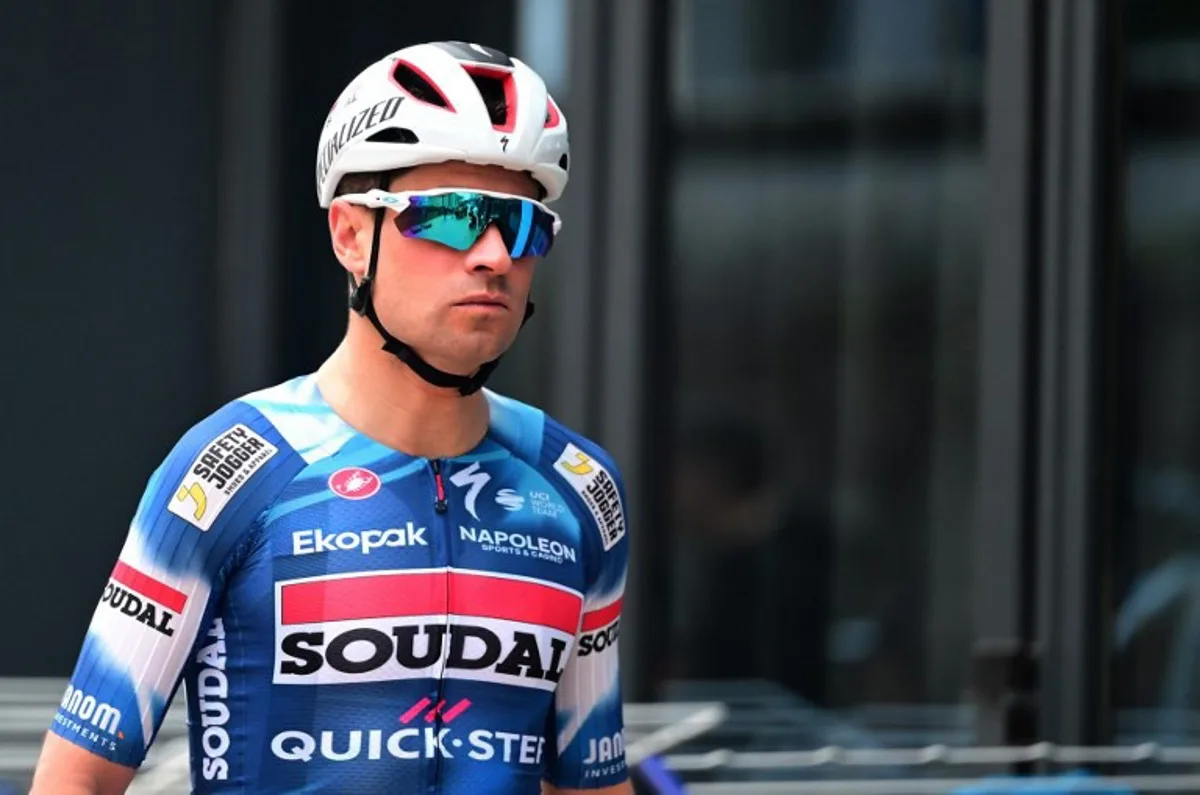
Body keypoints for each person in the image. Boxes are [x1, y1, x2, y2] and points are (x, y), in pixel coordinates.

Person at [31, 40, 632, 795]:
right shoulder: (232, 467)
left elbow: (593, 786)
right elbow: (75, 780)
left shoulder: (579, 490)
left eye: (522, 225)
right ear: (351, 233)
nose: (492, 255)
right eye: (450, 217)